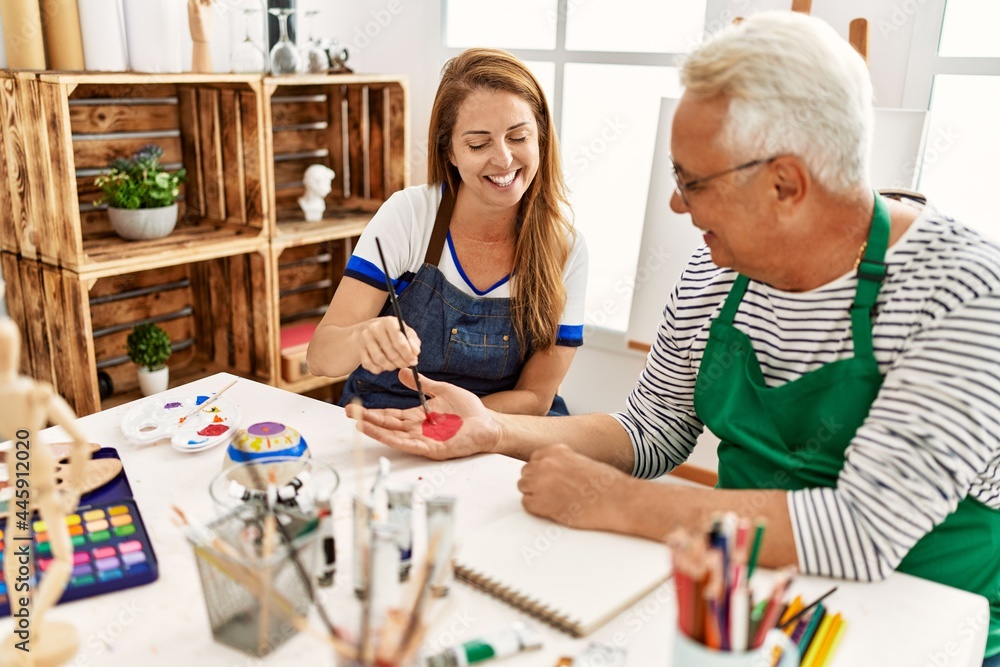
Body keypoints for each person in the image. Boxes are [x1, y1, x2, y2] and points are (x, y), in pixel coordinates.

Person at [348, 12, 1000, 664]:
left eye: (691, 181)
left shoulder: (964, 292)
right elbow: (653, 429)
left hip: (928, 624)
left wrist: (621, 501)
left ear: (786, 185)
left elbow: (860, 529)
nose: (676, 207)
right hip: (742, 602)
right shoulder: (718, 272)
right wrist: (494, 430)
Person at [307, 48, 587, 416]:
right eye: (478, 143)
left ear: (542, 139)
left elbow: (536, 397)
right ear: (450, 151)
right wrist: (361, 338)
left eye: (518, 137)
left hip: (498, 424)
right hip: (388, 416)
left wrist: (447, 421)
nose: (503, 159)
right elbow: (321, 359)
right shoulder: (408, 216)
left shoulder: (565, 246)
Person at [0, 309, 91, 665]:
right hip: (38, 468)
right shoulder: (33, 393)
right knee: (63, 557)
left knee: (15, 547)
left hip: (18, 471)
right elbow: (81, 442)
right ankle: (31, 625)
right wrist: (74, 488)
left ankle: (26, 626)